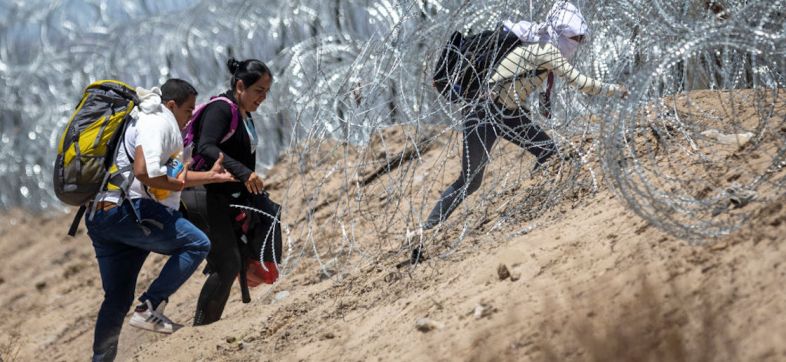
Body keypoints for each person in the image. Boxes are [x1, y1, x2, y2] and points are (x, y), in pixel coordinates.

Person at [413, 2, 628, 241]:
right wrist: (617, 90)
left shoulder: (540, 47)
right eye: (575, 38)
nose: (579, 44)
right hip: (486, 113)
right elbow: (583, 83)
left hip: (504, 114)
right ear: (560, 35)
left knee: (548, 152)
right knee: (470, 181)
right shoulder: (547, 52)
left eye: (581, 38)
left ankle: (534, 198)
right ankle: (425, 231)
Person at [86, 79, 235, 362]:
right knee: (196, 243)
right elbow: (145, 171)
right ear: (171, 105)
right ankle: (149, 307)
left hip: (102, 216)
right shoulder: (158, 121)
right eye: (189, 110)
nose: (191, 116)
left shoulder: (146, 123)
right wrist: (175, 185)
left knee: (117, 299)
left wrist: (209, 177)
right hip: (129, 212)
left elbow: (169, 177)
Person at [190, 57, 282, 326]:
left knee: (235, 261)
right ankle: (197, 333)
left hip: (226, 199)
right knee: (227, 263)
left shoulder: (245, 115)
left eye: (266, 92)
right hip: (203, 196)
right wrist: (243, 172)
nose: (263, 97)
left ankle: (203, 328)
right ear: (240, 85)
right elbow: (205, 146)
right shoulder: (221, 109)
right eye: (258, 91)